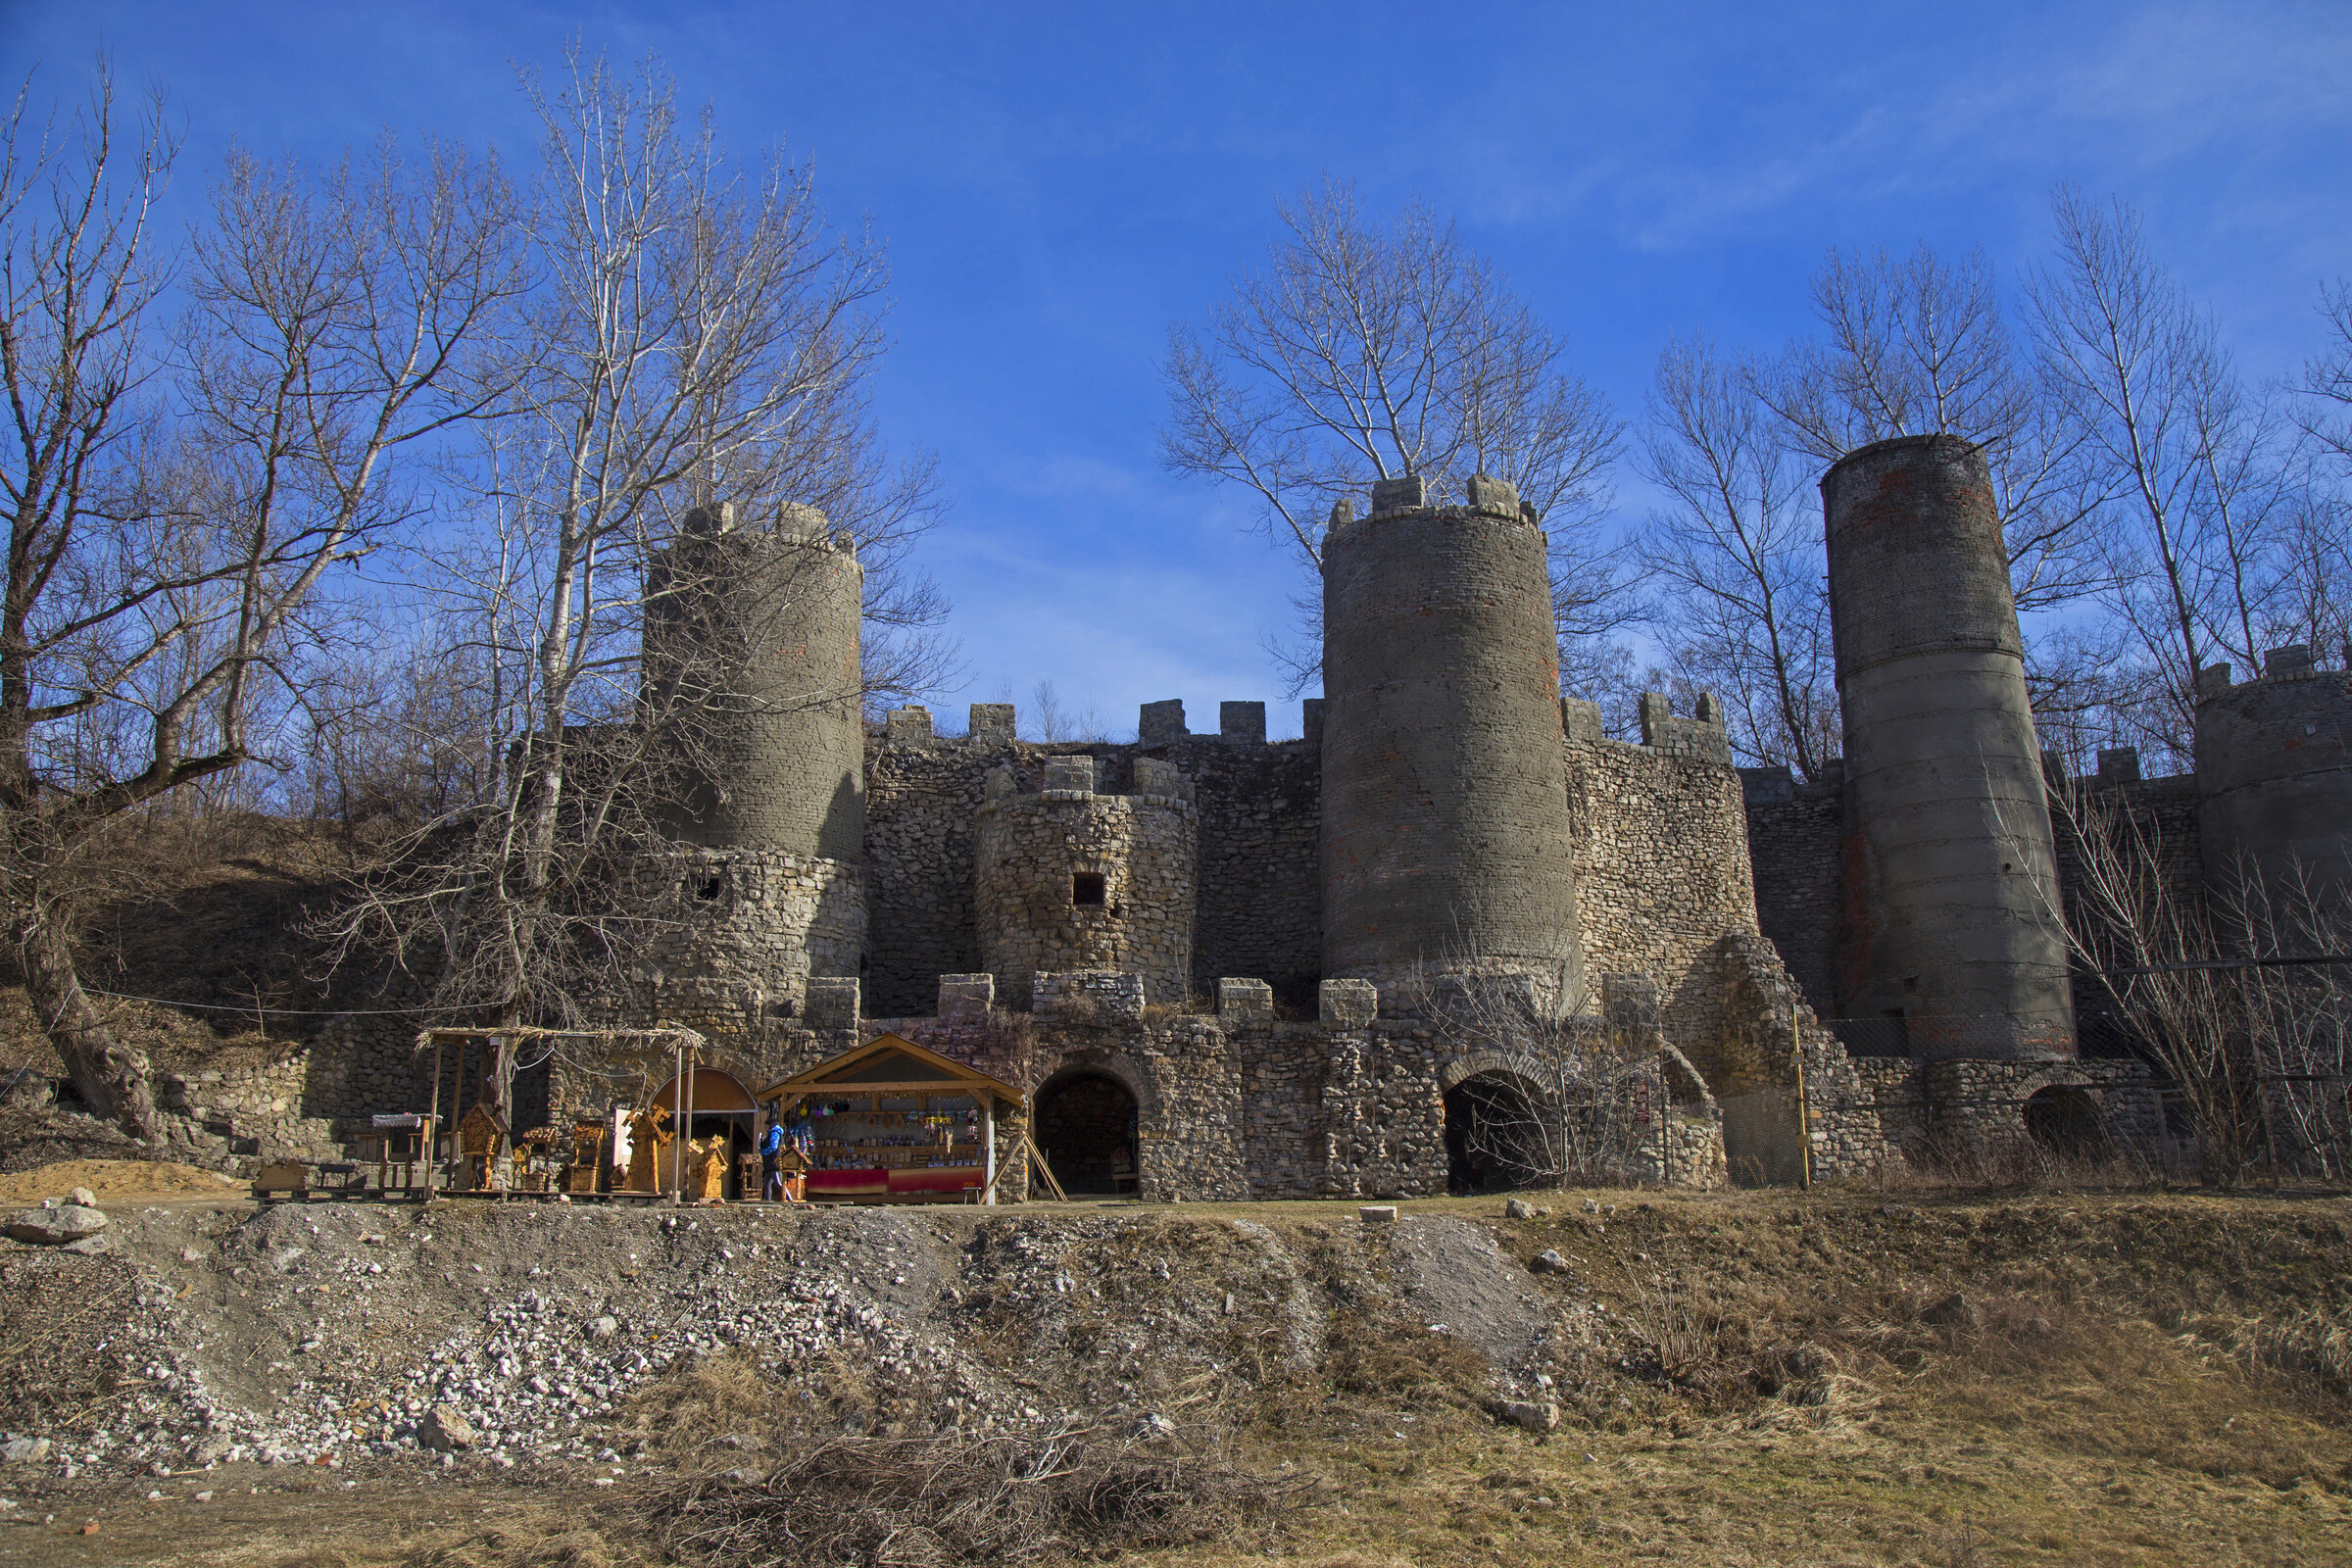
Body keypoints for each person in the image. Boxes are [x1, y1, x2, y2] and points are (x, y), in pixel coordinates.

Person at [760, 1109, 785, 1202]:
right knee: (766, 1182)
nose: (765, 1128)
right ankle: (767, 1200)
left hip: (774, 1163)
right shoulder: (771, 1134)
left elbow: (773, 1147)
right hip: (769, 1165)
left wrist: (763, 1152)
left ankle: (789, 1198)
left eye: (766, 1126)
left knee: (779, 1184)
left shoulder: (774, 1134)